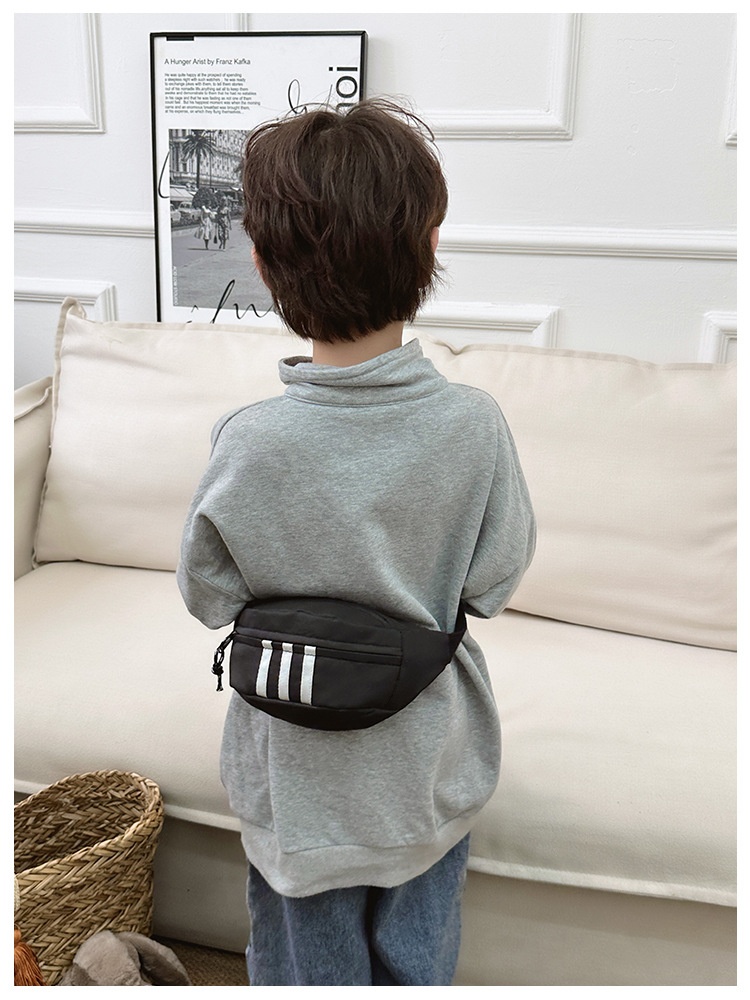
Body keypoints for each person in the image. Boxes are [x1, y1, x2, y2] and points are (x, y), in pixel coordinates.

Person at [177, 98, 536, 987]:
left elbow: (208, 596)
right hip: (426, 769)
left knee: (306, 969)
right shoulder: (473, 426)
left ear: (262, 263)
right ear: (431, 244)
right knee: (419, 960)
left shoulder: (248, 439)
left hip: (293, 785)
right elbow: (494, 582)